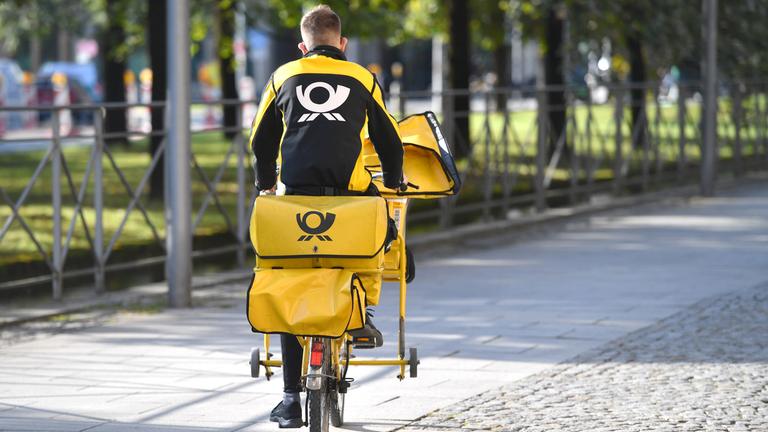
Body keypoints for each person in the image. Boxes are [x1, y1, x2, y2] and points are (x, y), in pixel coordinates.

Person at [248, 4, 404, 428]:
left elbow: (261, 138)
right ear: (343, 43)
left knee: (286, 279)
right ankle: (362, 312)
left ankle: (289, 399)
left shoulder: (283, 75)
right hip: (348, 196)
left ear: (303, 46)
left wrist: (264, 182)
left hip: (294, 196)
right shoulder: (362, 77)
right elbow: (388, 137)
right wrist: (396, 177)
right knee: (385, 229)